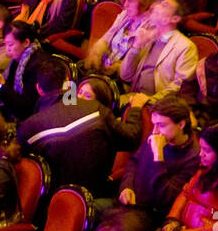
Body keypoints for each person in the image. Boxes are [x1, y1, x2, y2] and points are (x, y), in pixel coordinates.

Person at [16, 59, 137, 193]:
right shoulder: (95, 109)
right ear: (68, 83)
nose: (80, 97)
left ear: (38, 88)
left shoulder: (27, 129)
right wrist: (136, 109)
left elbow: (24, 181)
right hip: (91, 194)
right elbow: (131, 138)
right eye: (80, 93)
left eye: (87, 95)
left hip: (60, 202)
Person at [115, 96, 201, 231]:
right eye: (154, 124)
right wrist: (126, 187)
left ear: (181, 124)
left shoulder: (193, 158)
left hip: (150, 213)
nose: (154, 131)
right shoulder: (159, 135)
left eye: (161, 125)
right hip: (128, 202)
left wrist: (158, 156)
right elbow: (134, 162)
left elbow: (165, 198)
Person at [121, 0, 197, 98]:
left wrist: (150, 100)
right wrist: (136, 46)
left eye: (164, 5)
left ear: (175, 19)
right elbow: (125, 76)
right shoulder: (148, 38)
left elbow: (179, 87)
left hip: (159, 105)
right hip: (133, 96)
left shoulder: (185, 47)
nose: (156, 5)